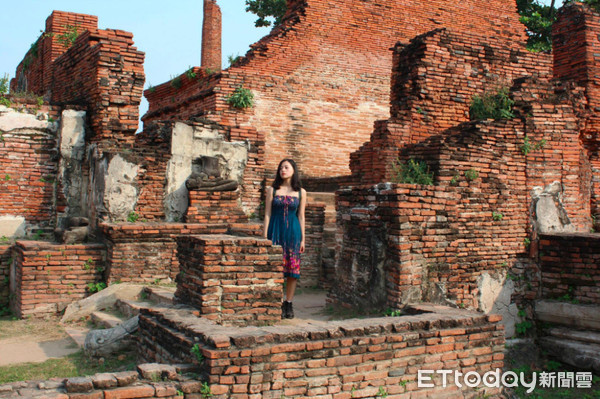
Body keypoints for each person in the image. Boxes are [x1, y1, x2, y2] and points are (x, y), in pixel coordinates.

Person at [263, 158, 306, 319]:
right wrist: (264, 236)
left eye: (286, 167)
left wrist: (303, 239)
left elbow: (301, 216)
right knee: (276, 266)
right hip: (275, 229)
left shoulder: (301, 192)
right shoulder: (272, 190)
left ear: (293, 170)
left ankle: (288, 302)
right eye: (281, 167)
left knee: (292, 270)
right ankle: (276, 301)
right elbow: (267, 214)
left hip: (293, 232)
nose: (283, 170)